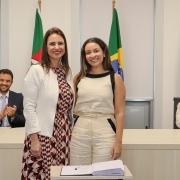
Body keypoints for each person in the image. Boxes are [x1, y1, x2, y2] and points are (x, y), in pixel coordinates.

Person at [21, 27, 75, 179]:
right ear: (45, 47)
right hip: (42, 135)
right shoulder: (36, 71)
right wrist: (34, 140)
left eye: (60, 43)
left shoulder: (67, 72)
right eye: (52, 44)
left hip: (64, 135)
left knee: (60, 175)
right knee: (40, 175)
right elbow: (29, 107)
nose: (57, 47)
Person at [70, 37, 126, 165]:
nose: (92, 55)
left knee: (103, 173)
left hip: (105, 130)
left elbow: (120, 112)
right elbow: (70, 107)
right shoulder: (78, 78)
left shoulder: (115, 78)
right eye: (88, 52)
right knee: (78, 173)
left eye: (96, 51)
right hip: (79, 130)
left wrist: (118, 142)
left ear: (104, 52)